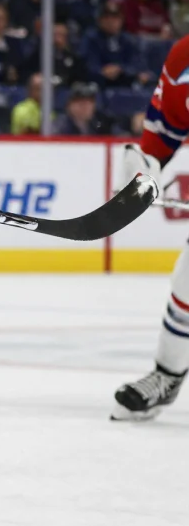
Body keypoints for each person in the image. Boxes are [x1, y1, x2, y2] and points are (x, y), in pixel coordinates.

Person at [112, 34, 189, 419]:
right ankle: (167, 376)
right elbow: (161, 139)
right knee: (188, 279)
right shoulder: (183, 59)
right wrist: (143, 172)